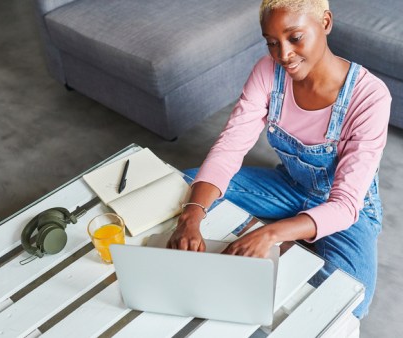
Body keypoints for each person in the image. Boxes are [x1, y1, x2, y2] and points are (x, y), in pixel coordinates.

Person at [167, 0, 391, 319]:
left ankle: (275, 242)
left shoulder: (369, 97)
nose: (283, 54)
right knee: (185, 185)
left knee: (351, 298)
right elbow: (230, 146)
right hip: (290, 186)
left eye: (295, 37)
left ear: (325, 22)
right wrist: (191, 218)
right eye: (272, 43)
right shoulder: (268, 72)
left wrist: (271, 234)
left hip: (346, 208)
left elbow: (345, 205)